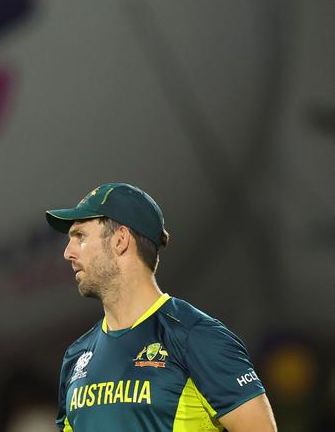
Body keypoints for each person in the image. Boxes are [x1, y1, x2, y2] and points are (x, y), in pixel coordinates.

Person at [44, 183, 276, 431]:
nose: (67, 253)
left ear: (120, 240)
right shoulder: (76, 356)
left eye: (80, 236)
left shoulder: (196, 337)